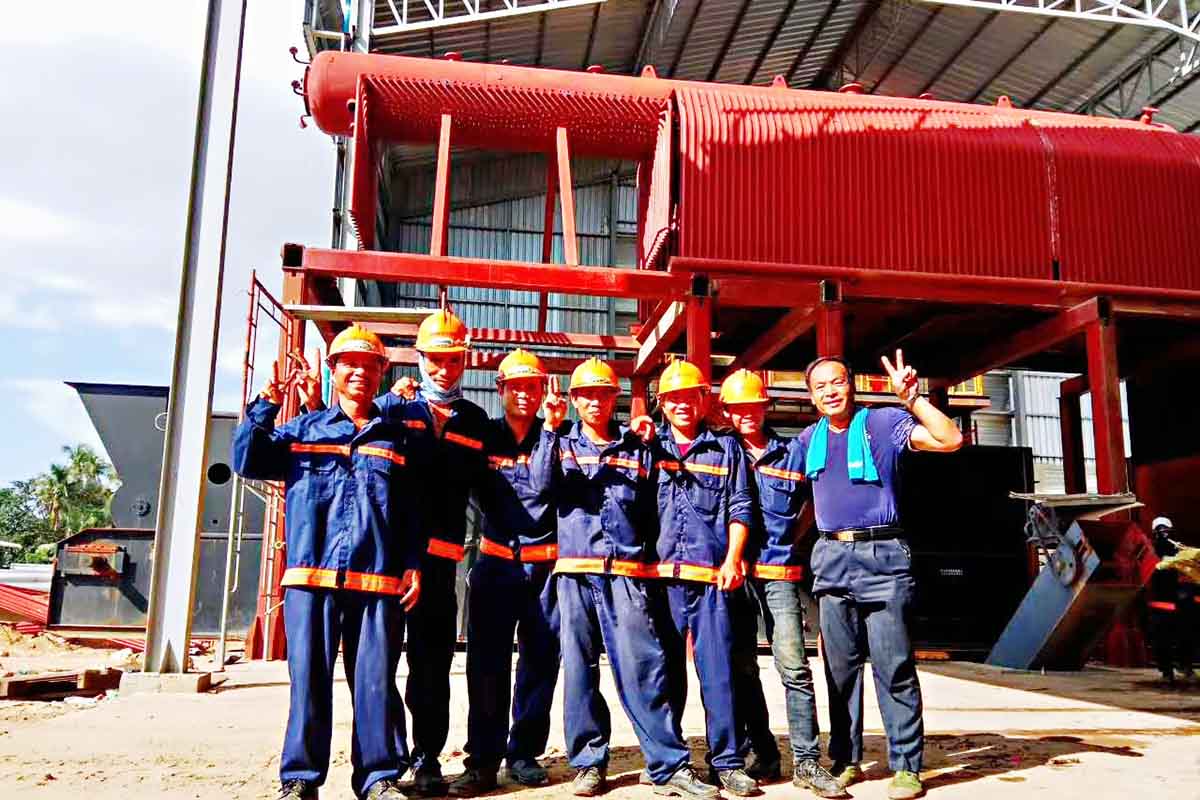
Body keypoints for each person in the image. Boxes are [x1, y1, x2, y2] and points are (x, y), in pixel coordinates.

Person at [232, 325, 422, 800]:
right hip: (311, 576)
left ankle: (378, 779)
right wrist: (266, 404)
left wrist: (412, 564)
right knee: (309, 681)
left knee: (375, 683)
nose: (360, 372)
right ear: (334, 371)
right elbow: (247, 460)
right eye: (349, 364)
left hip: (377, 579)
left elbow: (411, 510)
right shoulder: (302, 431)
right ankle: (300, 778)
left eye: (370, 365)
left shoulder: (397, 439)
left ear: (381, 373)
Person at [541, 357, 718, 799]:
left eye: (603, 394)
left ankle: (667, 765)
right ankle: (588, 763)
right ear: (574, 399)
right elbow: (541, 487)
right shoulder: (559, 444)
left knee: (644, 666)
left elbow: (658, 505)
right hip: (576, 572)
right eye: (586, 395)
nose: (595, 402)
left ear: (613, 398)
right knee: (580, 672)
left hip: (625, 572)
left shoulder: (636, 447)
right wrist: (549, 427)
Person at [798, 351, 962, 800]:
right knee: (840, 670)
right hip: (831, 556)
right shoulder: (809, 439)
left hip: (882, 555)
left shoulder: (883, 423)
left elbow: (950, 439)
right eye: (820, 386)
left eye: (837, 382)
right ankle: (845, 760)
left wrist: (913, 400)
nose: (830, 392)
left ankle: (906, 766)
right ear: (811, 397)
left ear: (851, 384)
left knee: (894, 665)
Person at [718, 369, 845, 799]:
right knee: (741, 668)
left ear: (764, 407)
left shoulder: (792, 453)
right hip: (734, 575)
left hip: (779, 573)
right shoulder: (720, 450)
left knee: (794, 668)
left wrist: (792, 535)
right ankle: (764, 753)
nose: (746, 415)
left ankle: (807, 761)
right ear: (727, 412)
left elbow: (812, 500)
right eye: (738, 409)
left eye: (753, 407)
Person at [379, 309, 491, 795]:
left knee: (431, 667)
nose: (444, 369)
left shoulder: (474, 421)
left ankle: (427, 759)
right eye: (435, 359)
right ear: (419, 358)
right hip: (387, 562)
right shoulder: (394, 410)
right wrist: (388, 400)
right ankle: (386, 762)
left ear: (464, 361)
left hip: (441, 562)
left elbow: (494, 488)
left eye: (453, 360)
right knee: (378, 664)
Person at [450, 349, 561, 796]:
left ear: (543, 390)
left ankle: (524, 754)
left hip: (546, 571)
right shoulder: (483, 436)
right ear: (500, 390)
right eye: (515, 386)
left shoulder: (558, 434)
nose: (524, 394)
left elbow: (549, 487)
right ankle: (482, 760)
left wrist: (551, 430)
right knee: (486, 666)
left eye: (532, 386)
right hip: (496, 565)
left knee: (540, 663)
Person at [649, 359, 759, 798]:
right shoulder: (648, 446)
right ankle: (670, 762)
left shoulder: (725, 448)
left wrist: (733, 558)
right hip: (660, 580)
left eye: (689, 397)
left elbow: (740, 505)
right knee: (664, 674)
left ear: (702, 400)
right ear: (662, 404)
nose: (681, 405)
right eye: (673, 398)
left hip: (712, 579)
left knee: (719, 674)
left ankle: (727, 763)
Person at [1148, 517, 1198, 686]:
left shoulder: (1178, 550)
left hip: (1174, 603)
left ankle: (1179, 668)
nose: (1164, 533)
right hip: (1168, 603)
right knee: (1170, 639)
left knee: (1182, 637)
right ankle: (1172, 671)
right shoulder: (1157, 551)